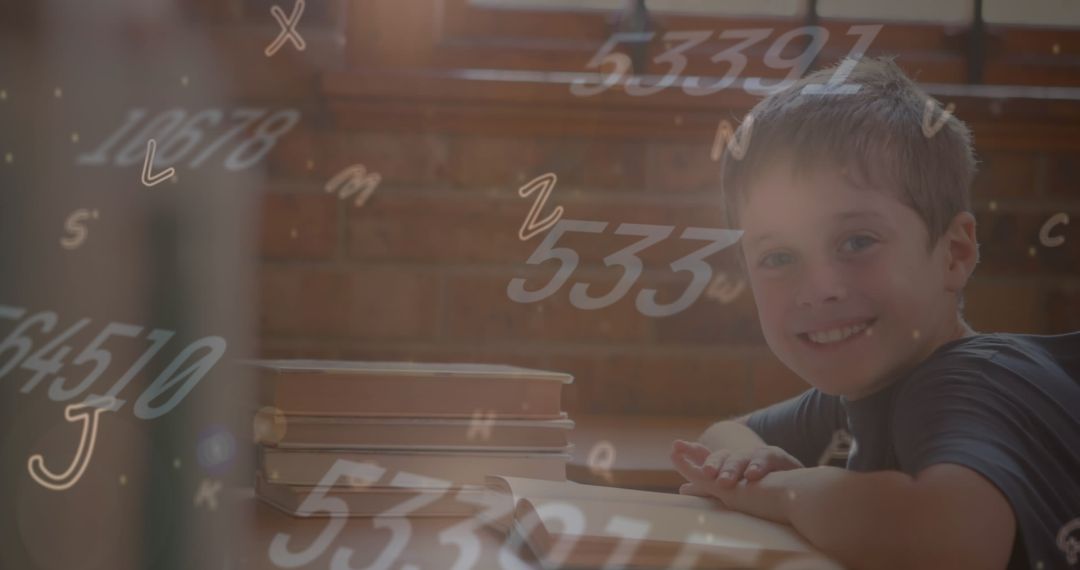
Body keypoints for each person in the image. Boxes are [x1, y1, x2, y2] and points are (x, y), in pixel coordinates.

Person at [669, 57, 1080, 570]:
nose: (819, 290)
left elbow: (954, 538)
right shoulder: (865, 395)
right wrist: (751, 465)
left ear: (954, 253)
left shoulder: (967, 382)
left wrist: (779, 492)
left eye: (856, 242)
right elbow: (724, 434)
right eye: (778, 258)